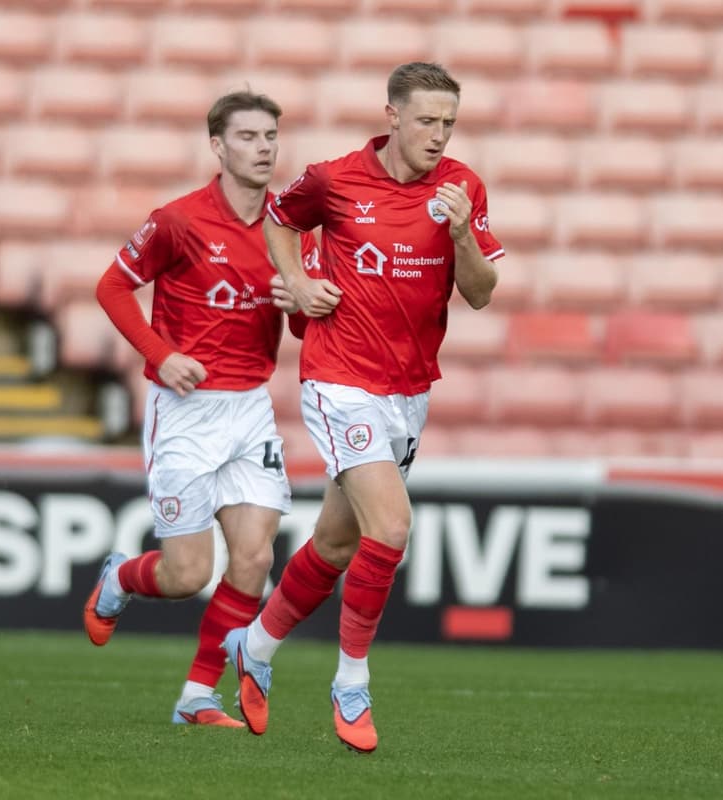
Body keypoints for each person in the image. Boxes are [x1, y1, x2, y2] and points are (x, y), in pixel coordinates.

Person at [222, 62, 505, 753]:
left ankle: (254, 646)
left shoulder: (462, 187)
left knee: (337, 543)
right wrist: (297, 280)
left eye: (449, 123)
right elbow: (280, 220)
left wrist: (463, 236)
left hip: (409, 391)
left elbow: (481, 293)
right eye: (427, 120)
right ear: (393, 116)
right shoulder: (334, 180)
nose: (438, 135)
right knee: (393, 524)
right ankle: (352, 682)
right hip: (340, 378)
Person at [84, 90, 319, 728]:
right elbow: (112, 286)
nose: (263, 148)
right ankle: (121, 579)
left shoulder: (289, 231)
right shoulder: (178, 221)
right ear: (217, 146)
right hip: (185, 411)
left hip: (249, 408)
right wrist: (161, 355)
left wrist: (297, 304)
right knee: (188, 574)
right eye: (247, 136)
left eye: (270, 136)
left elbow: (305, 325)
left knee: (255, 558)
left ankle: (196, 697)